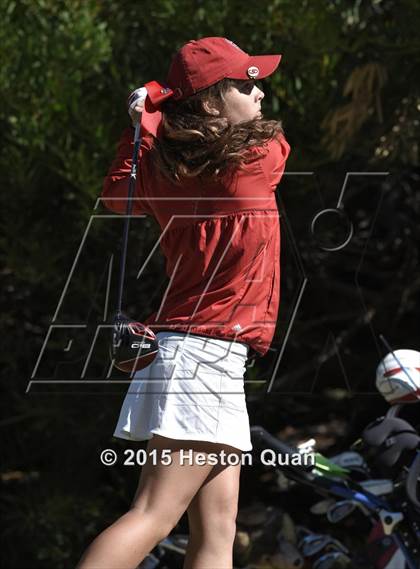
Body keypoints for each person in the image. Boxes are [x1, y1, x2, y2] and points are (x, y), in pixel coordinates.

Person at [77, 36, 290, 569]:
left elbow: (115, 192)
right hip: (202, 357)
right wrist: (154, 114)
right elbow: (277, 145)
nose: (259, 91)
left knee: (219, 535)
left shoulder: (161, 171)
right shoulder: (255, 161)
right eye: (245, 83)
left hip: (201, 356)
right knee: (152, 514)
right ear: (213, 101)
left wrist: (146, 119)